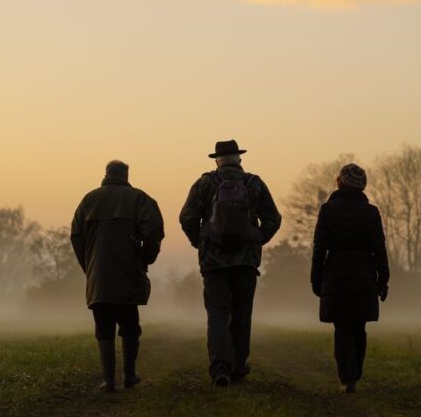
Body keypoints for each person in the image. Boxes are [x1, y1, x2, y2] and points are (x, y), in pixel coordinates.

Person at [179, 140, 282, 386]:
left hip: (213, 263)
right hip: (246, 262)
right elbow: (273, 219)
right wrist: (257, 240)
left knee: (217, 314)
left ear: (217, 160)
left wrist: (201, 242)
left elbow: (187, 218)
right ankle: (238, 367)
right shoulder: (255, 183)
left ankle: (220, 368)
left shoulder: (204, 183)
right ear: (239, 159)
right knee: (242, 314)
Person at [71, 160, 164, 393]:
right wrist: (145, 258)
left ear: (106, 174)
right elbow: (154, 231)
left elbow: (75, 236)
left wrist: (89, 267)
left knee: (104, 328)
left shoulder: (88, 200)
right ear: (126, 175)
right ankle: (130, 376)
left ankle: (109, 381)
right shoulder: (139, 198)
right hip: (128, 273)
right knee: (130, 325)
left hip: (98, 277)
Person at [310, 163, 390, 393]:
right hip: (365, 275)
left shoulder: (328, 210)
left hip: (335, 275)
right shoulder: (371, 212)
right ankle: (354, 373)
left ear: (339, 182)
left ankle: (348, 377)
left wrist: (316, 279)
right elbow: (379, 250)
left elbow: (319, 249)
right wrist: (383, 279)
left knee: (342, 327)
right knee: (359, 327)